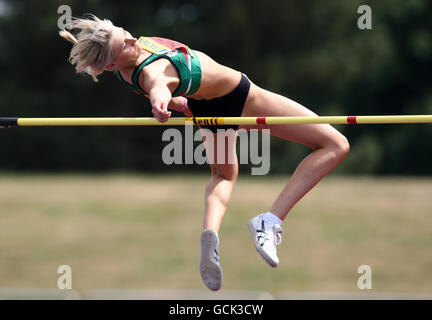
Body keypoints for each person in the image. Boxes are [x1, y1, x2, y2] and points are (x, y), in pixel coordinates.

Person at [60, 14, 350, 291]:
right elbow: (158, 84)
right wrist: (161, 103)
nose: (131, 40)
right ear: (112, 66)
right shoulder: (149, 73)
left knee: (223, 175)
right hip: (241, 96)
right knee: (335, 145)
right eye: (123, 46)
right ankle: (269, 221)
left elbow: (165, 85)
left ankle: (210, 233)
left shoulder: (125, 69)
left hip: (205, 108)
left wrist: (176, 103)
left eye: (123, 33)